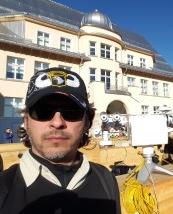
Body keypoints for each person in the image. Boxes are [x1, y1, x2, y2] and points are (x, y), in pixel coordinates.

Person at [0, 68, 121, 214]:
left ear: (87, 122)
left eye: (71, 111)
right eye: (42, 110)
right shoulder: (3, 188)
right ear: (26, 121)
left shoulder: (106, 179)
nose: (57, 122)